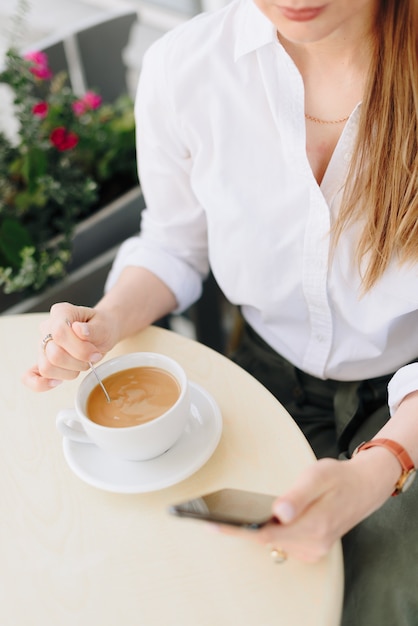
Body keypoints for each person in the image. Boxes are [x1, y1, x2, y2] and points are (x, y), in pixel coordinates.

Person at [23, 1, 418, 623]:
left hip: (406, 403)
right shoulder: (187, 70)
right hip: (261, 376)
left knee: (376, 598)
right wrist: (106, 320)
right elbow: (175, 243)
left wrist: (384, 466)